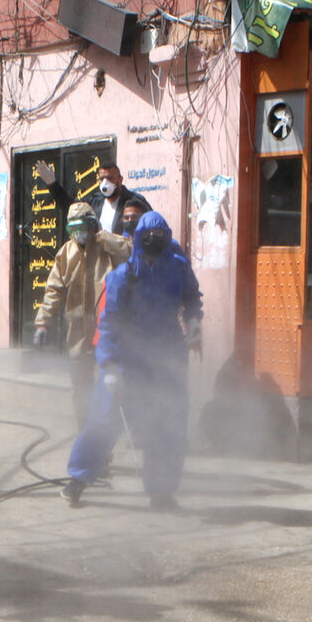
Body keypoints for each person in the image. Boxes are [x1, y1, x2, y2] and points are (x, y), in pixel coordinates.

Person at [62, 211, 202, 511]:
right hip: (126, 359)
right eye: (148, 237)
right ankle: (78, 479)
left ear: (167, 238)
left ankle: (162, 493)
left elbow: (192, 298)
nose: (154, 241)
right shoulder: (122, 276)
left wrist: (194, 321)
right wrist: (110, 365)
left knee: (166, 424)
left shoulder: (178, 268)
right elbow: (109, 323)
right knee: (104, 419)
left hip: (165, 359)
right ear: (139, 239)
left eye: (160, 237)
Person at [33, 203, 131, 429]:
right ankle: (86, 439)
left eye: (83, 226)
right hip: (77, 335)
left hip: (106, 334)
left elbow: (129, 251)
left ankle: (104, 446)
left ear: (92, 225)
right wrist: (43, 324)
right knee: (81, 390)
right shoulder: (66, 253)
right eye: (73, 228)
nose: (79, 233)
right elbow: (53, 290)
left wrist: (102, 236)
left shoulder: (106, 246)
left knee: (107, 388)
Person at [39, 161, 152, 237]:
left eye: (109, 178)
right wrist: (52, 184)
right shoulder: (94, 201)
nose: (105, 183)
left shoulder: (135, 203)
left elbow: (151, 227)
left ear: (120, 180)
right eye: (101, 179)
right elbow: (73, 208)